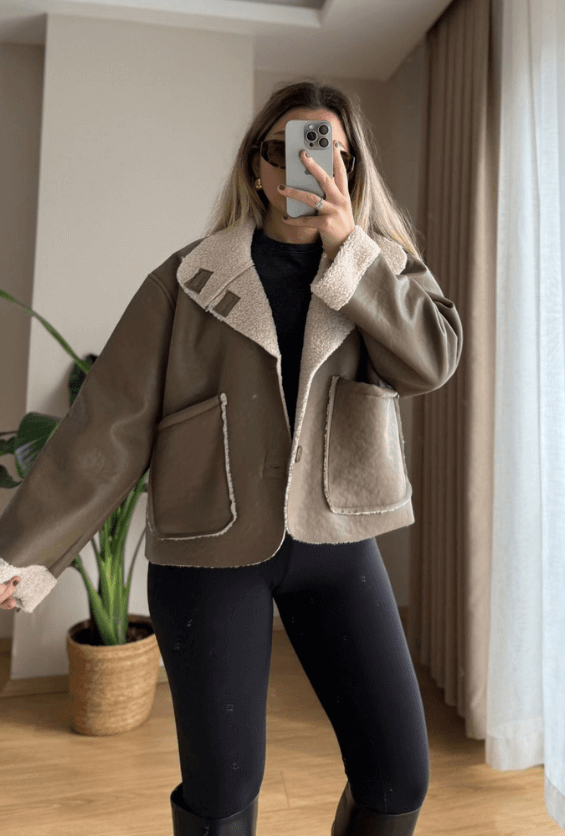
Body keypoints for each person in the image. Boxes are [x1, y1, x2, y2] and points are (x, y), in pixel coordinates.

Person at [0, 80, 463, 836]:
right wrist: (20, 555)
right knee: (222, 791)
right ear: (257, 166)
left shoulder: (380, 267)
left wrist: (351, 254)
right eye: (286, 149)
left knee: (398, 773)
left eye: (329, 154)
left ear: (351, 170)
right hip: (209, 552)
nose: (306, 167)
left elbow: (431, 362)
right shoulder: (187, 278)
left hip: (336, 542)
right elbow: (106, 425)